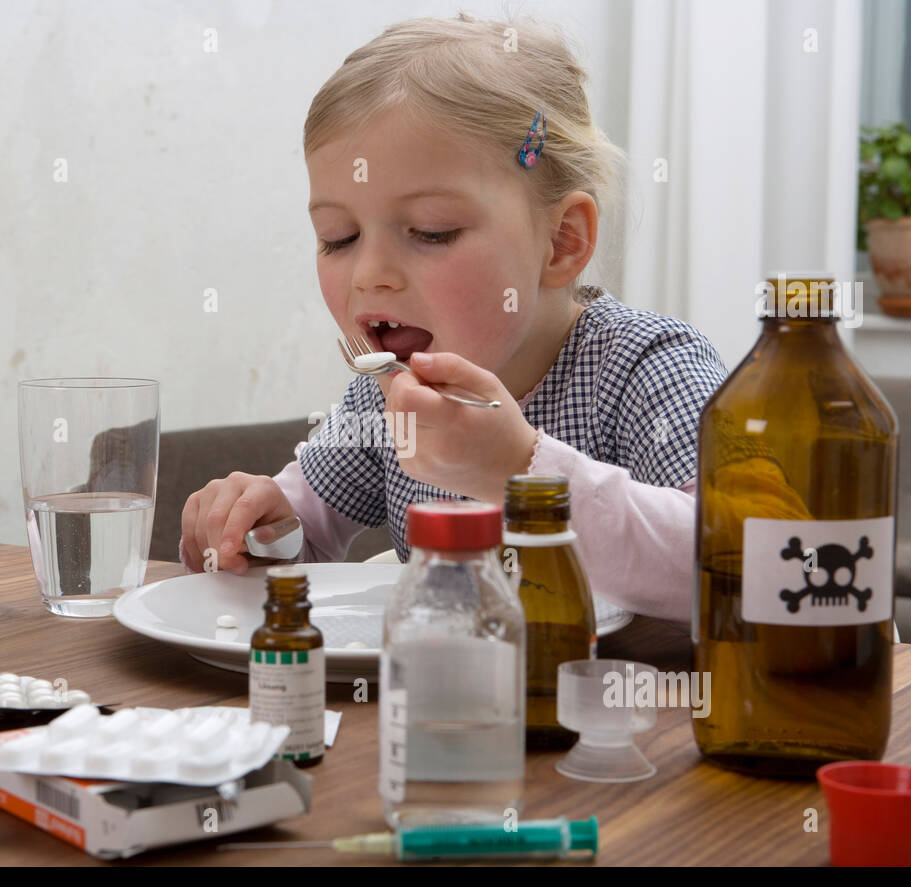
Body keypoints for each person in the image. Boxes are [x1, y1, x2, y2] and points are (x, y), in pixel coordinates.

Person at [180, 14, 728, 622]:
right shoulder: (382, 400)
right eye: (338, 238)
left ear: (562, 241)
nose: (368, 274)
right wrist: (258, 526)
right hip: (435, 704)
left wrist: (519, 469)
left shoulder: (646, 367)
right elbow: (301, 544)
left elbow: (737, 565)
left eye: (430, 232)